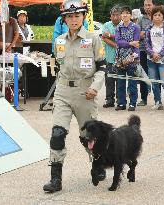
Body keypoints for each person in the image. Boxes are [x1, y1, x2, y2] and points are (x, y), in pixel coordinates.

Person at [43, 0, 106, 193]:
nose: (73, 20)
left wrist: (95, 87)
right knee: (57, 134)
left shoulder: (93, 39)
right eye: (69, 16)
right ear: (64, 19)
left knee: (89, 136)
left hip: (85, 93)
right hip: (63, 92)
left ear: (83, 17)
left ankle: (98, 164)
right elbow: (59, 66)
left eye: (77, 15)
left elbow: (102, 68)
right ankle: (55, 179)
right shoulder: (59, 41)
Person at [145, 5, 164, 110]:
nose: (157, 17)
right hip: (151, 58)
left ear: (163, 16)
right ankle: (157, 102)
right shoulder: (148, 28)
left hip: (163, 59)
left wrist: (160, 54)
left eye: (159, 15)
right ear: (152, 16)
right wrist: (153, 54)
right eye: (155, 15)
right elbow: (146, 43)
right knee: (154, 82)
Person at [115, 6, 140, 111]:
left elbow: (137, 43)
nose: (125, 15)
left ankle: (133, 103)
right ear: (121, 15)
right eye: (123, 13)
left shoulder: (136, 27)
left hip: (132, 57)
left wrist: (134, 52)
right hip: (120, 57)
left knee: (132, 82)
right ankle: (121, 103)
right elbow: (118, 41)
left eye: (127, 13)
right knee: (120, 82)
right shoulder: (118, 27)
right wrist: (130, 43)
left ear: (130, 15)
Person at [102, 5, 121, 108]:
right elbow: (104, 38)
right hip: (109, 58)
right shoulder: (106, 25)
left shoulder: (124, 25)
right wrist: (117, 45)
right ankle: (109, 100)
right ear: (110, 16)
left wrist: (110, 36)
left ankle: (120, 99)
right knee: (109, 80)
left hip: (121, 59)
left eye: (117, 15)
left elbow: (123, 39)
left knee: (120, 80)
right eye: (113, 15)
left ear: (121, 15)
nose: (115, 17)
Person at [137, 0, 155, 106]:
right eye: (145, 5)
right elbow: (137, 35)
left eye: (149, 5)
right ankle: (143, 99)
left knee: (156, 75)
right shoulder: (140, 19)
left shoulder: (159, 17)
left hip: (156, 51)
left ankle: (158, 99)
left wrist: (145, 33)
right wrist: (148, 33)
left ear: (154, 5)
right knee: (143, 74)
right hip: (143, 50)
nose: (147, 7)